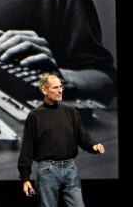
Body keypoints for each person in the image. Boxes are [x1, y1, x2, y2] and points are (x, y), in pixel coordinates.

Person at [17, 74, 105, 206]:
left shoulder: (71, 111)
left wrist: (94, 146)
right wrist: (25, 179)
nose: (60, 90)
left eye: (61, 87)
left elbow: (82, 136)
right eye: (55, 88)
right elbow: (27, 149)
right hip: (47, 171)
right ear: (44, 90)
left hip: (70, 169)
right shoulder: (34, 115)